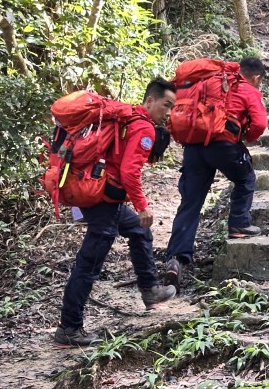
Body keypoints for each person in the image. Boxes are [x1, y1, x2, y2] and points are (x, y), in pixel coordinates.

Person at [54, 78, 178, 348]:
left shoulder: (128, 117)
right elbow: (129, 172)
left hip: (96, 193)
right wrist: (143, 205)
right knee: (88, 265)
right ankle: (70, 328)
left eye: (173, 107)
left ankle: (150, 290)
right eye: (166, 105)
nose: (169, 113)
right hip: (105, 201)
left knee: (138, 229)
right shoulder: (143, 128)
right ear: (150, 101)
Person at [161, 57, 269, 290]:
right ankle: (239, 223)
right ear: (256, 77)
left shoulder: (203, 84)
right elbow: (259, 123)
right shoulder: (246, 89)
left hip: (193, 147)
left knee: (190, 203)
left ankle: (176, 259)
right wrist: (245, 137)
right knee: (245, 177)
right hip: (224, 145)